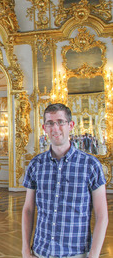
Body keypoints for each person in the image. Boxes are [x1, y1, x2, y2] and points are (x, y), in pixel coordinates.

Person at [22, 103, 108, 258]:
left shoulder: (90, 165)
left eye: (60, 122)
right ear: (44, 128)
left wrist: (93, 255)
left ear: (71, 125)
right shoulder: (35, 165)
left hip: (76, 253)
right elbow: (28, 209)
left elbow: (102, 215)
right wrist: (25, 250)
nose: (55, 128)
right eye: (50, 123)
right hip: (41, 252)